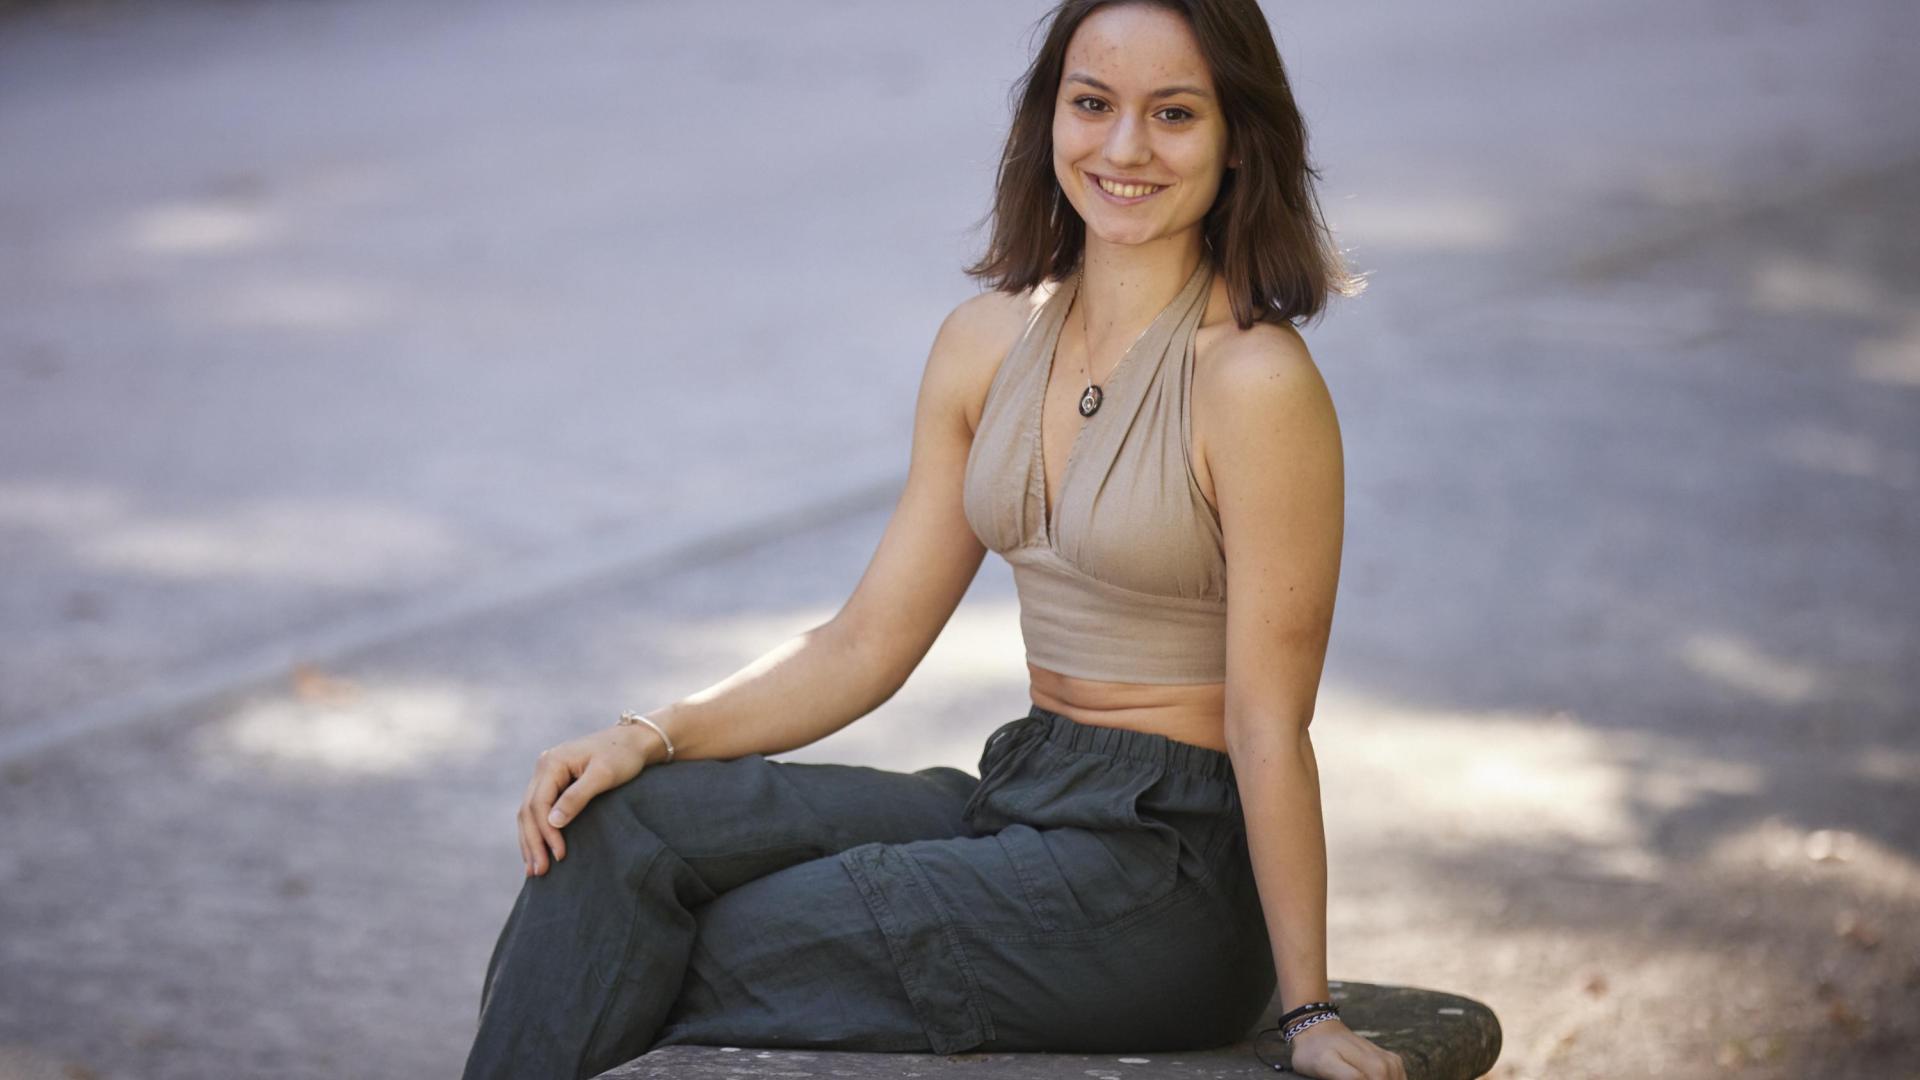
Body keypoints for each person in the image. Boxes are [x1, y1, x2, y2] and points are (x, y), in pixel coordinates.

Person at [462, 2, 1402, 1078]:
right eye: (1092, 103)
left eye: (1174, 114)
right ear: (1050, 116)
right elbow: (865, 642)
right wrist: (648, 733)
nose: (1125, 147)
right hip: (1025, 793)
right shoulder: (983, 346)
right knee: (614, 830)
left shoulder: (1254, 383)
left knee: (684, 948)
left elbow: (1271, 724)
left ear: (1238, 139)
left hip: (1164, 874)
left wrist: (1309, 1013)